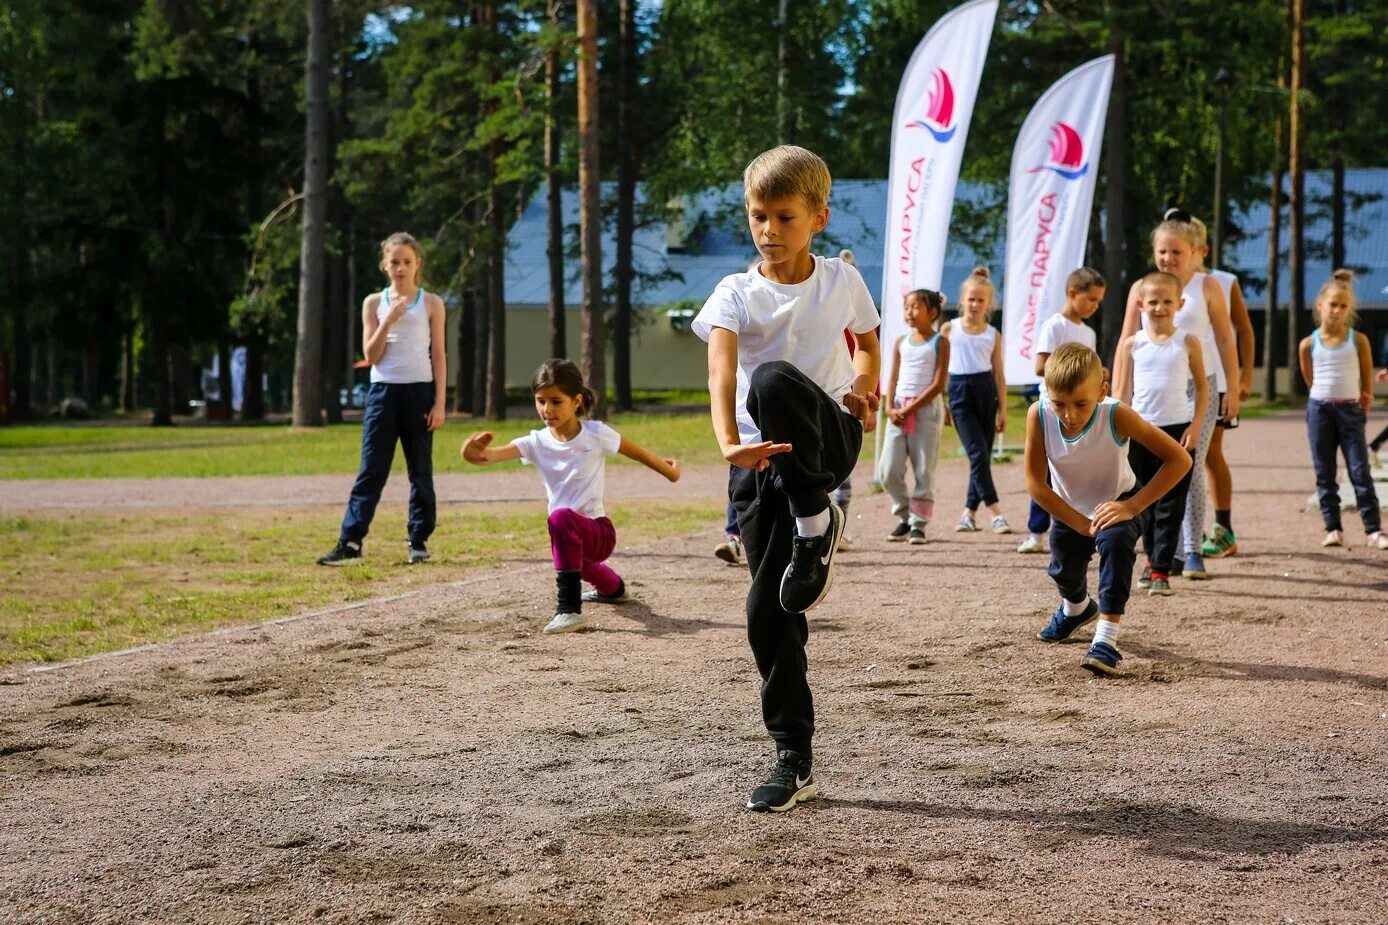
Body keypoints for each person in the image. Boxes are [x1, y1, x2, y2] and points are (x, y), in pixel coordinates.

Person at [693, 145, 880, 813]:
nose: (768, 231)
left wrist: (863, 387)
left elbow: (867, 346)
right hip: (758, 467)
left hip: (827, 438)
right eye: (758, 217)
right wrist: (727, 443)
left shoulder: (840, 280)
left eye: (784, 217)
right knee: (768, 612)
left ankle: (816, 520)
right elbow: (720, 372)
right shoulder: (734, 293)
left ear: (818, 218)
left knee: (772, 379)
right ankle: (793, 757)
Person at [461, 359, 681, 633]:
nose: (547, 409)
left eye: (556, 401)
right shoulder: (535, 442)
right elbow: (487, 456)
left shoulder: (596, 434)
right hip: (567, 535)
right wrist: (472, 453)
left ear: (576, 401)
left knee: (561, 518)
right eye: (540, 401)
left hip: (599, 532)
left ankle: (569, 610)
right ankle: (614, 589)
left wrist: (670, 472)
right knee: (577, 560)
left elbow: (639, 454)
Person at [1029, 344, 1192, 675]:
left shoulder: (1116, 414)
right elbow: (1035, 483)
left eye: (1081, 404)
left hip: (1119, 503)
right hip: (1069, 509)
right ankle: (1076, 610)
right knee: (1064, 571)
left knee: (1117, 548)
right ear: (1047, 394)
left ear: (1102, 391)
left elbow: (1180, 459)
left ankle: (1106, 640)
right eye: (1059, 404)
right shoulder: (1039, 414)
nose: (1069, 415)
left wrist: (1132, 506)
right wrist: (1076, 522)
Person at [1118, 210, 1239, 579]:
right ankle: (1158, 553)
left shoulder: (1207, 287)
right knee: (1148, 471)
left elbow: (1223, 337)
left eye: (1176, 252)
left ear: (1193, 252)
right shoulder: (1142, 288)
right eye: (1162, 252)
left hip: (1199, 385)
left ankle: (1192, 549)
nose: (1168, 258)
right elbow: (1126, 340)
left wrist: (1232, 385)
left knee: (1191, 463)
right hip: (1152, 391)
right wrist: (1119, 399)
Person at [318, 233, 447, 566]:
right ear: (384, 265)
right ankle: (351, 542)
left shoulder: (431, 302)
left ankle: (418, 541)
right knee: (372, 469)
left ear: (417, 263)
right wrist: (389, 319)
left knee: (420, 470)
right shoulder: (373, 303)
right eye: (394, 262)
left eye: (407, 261)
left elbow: (440, 354)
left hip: (419, 391)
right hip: (383, 393)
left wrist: (440, 403)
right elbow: (371, 355)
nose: (400, 268)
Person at [1112, 271, 1207, 595]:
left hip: (1177, 432)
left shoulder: (1188, 342)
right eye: (1153, 301)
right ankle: (1151, 562)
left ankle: (1162, 569)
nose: (1159, 307)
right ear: (1141, 304)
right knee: (1143, 500)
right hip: (1141, 430)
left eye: (1167, 301)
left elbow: (1203, 389)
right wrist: (1118, 431)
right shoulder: (1131, 344)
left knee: (1172, 502)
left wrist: (1195, 427)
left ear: (1179, 304)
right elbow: (1122, 391)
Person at [1297, 270, 1387, 550]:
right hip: (1320, 410)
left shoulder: (1357, 340)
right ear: (1320, 305)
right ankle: (1333, 528)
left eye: (1343, 306)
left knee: (1359, 470)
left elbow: (1365, 371)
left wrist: (1366, 396)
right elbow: (1309, 377)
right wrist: (1321, 398)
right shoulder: (1308, 344)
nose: (1337, 310)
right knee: (1324, 471)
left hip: (1350, 411)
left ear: (1350, 310)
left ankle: (1373, 529)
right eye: (1332, 304)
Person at [1018, 267, 1105, 554]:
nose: (1094, 306)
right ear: (1072, 293)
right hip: (1052, 410)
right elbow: (1041, 366)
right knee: (1044, 471)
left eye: (1098, 301)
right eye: (1090, 299)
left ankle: (1082, 523)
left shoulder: (1089, 332)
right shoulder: (1055, 326)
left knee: (1076, 469)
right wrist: (1071, 369)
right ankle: (1035, 531)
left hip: (1082, 412)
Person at [1190, 217, 1255, 560]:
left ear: (1201, 246)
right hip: (1177, 382)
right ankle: (1188, 532)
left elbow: (1243, 330)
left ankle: (1221, 528)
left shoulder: (1223, 281)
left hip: (1215, 381)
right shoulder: (1167, 281)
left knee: (1208, 455)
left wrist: (1242, 380)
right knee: (1189, 457)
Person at [877, 288, 949, 544]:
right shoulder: (900, 342)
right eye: (907, 307)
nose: (909, 312)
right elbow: (893, 377)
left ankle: (919, 524)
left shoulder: (940, 342)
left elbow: (938, 384)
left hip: (925, 412)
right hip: (897, 411)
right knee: (887, 470)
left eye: (916, 307)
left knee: (923, 469)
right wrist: (889, 408)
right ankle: (905, 514)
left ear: (932, 312)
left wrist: (910, 409)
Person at [943, 267, 1011, 535]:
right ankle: (996, 512)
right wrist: (942, 402)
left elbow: (999, 374)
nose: (975, 304)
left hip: (986, 392)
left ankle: (968, 513)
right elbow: (939, 370)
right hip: (959, 393)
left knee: (980, 457)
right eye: (971, 299)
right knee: (978, 454)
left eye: (981, 300)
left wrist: (1004, 409)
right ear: (962, 300)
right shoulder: (949, 329)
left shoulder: (992, 335)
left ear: (989, 304)